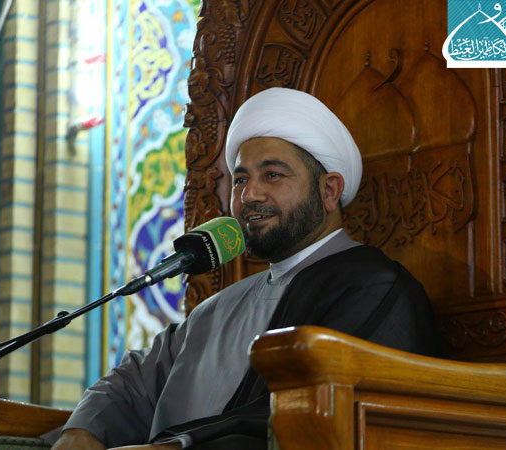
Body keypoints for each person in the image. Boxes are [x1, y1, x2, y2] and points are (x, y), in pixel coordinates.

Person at [51, 88, 441, 450]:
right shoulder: (217, 308)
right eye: (241, 179)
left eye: (272, 175)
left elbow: (319, 418)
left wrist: (174, 447)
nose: (249, 194)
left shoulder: (375, 288)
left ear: (329, 191)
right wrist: (82, 431)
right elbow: (133, 382)